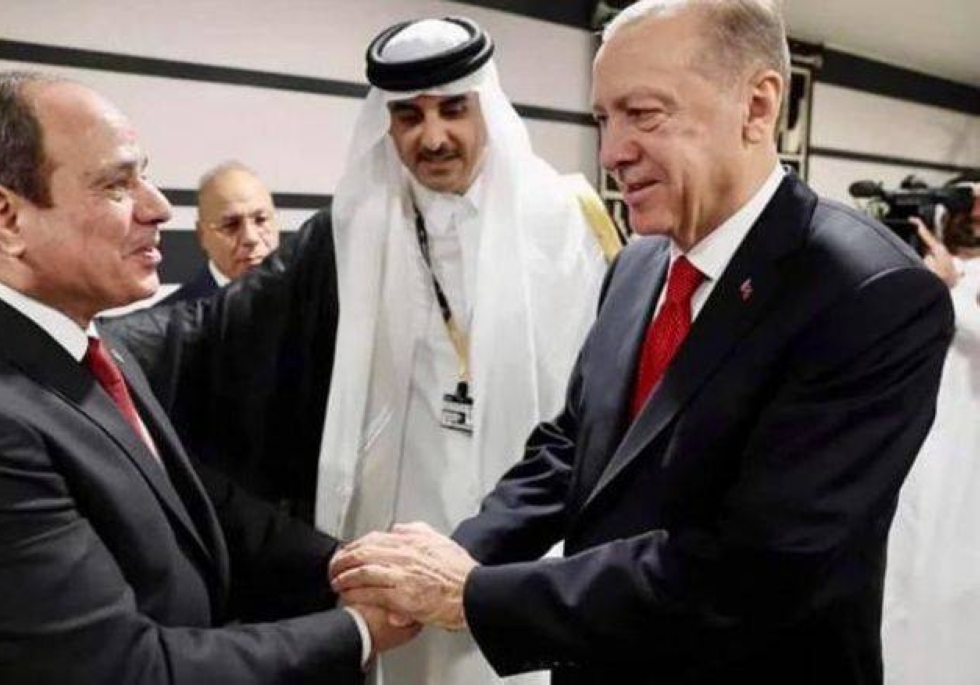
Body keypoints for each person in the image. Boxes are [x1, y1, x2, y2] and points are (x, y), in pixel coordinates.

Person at [329, 2, 954, 684]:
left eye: (644, 115)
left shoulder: (870, 293)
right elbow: (575, 446)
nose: (612, 153)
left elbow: (754, 569)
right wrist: (454, 554)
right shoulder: (639, 262)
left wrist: (471, 594)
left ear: (757, 106)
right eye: (605, 118)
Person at [0, 71, 416, 684]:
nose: (158, 208)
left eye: (144, 176)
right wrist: (358, 630)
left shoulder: (78, 344)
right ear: (4, 216)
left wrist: (347, 564)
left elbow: (186, 503)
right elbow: (126, 673)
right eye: (117, 185)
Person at [107, 16, 608, 685]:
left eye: (453, 109)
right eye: (409, 116)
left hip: (526, 533)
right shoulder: (349, 234)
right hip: (392, 538)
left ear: (485, 105)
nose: (433, 136)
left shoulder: (569, 224)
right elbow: (209, 331)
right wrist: (82, 341)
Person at [883, 173, 980, 684]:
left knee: (953, 595)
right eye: (966, 201)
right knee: (900, 584)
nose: (975, 212)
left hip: (965, 465)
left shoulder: (953, 279)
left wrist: (952, 291)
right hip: (909, 453)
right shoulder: (921, 267)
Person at [156, 161, 279, 304]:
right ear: (202, 234)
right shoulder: (171, 315)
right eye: (231, 225)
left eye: (261, 220)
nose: (251, 238)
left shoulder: (301, 302)